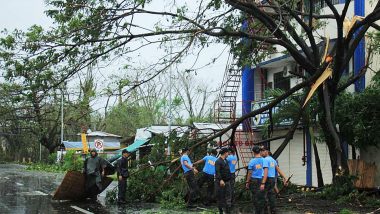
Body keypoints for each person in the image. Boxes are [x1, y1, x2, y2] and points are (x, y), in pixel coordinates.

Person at [261, 147, 288, 214]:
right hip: (272, 179)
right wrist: (285, 177)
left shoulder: (265, 160)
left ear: (266, 151)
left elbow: (266, 172)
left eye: (262, 151)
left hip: (266, 179)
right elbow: (278, 169)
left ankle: (266, 211)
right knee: (271, 195)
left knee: (264, 195)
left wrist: (263, 183)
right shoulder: (273, 160)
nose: (261, 153)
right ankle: (273, 210)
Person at [246, 145, 268, 214]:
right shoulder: (264, 160)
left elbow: (249, 173)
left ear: (253, 152)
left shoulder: (252, 161)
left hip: (254, 180)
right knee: (262, 196)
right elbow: (266, 172)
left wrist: (247, 182)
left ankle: (257, 211)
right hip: (262, 180)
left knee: (255, 197)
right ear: (260, 151)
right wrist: (263, 183)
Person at [215, 147, 232, 214]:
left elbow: (227, 170)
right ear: (225, 153)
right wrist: (221, 180)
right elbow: (217, 171)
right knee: (220, 196)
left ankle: (228, 211)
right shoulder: (218, 161)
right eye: (227, 152)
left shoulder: (226, 160)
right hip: (221, 182)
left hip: (227, 181)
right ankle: (221, 211)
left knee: (228, 196)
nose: (228, 153)